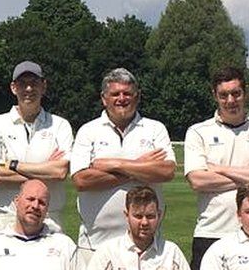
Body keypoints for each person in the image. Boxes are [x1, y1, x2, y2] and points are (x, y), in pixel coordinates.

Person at [183, 66, 249, 270]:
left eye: (236, 93)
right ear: (214, 95)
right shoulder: (198, 131)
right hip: (210, 232)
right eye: (224, 95)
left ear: (245, 93)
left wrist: (220, 169)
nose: (230, 100)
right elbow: (198, 180)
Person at [70, 67, 176, 258]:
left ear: (137, 97)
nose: (122, 98)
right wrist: (141, 166)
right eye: (115, 94)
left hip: (145, 244)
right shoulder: (88, 131)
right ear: (104, 98)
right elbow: (82, 180)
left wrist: (115, 165)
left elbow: (166, 171)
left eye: (127, 93)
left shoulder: (154, 129)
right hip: (93, 244)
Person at [0, 61, 73, 232]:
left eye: (34, 83)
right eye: (23, 84)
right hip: (5, 217)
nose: (29, 89)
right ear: (13, 88)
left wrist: (13, 165)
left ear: (43, 86)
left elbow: (60, 172)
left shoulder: (60, 125)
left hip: (49, 217)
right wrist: (45, 169)